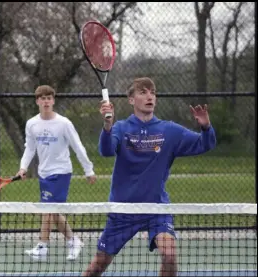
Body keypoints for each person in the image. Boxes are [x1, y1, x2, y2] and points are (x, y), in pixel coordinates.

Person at [82, 77, 217, 276]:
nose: (149, 96)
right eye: (143, 92)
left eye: (152, 92)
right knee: (98, 265)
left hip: (156, 208)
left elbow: (204, 144)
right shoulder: (121, 128)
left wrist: (206, 128)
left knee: (170, 255)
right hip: (123, 209)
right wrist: (107, 125)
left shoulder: (169, 130)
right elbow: (106, 150)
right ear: (131, 99)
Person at [16, 85, 97, 262]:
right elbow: (29, 149)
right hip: (43, 173)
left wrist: (88, 169)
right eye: (42, 98)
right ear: (37, 101)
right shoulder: (31, 124)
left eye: (49, 98)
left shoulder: (64, 123)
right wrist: (23, 168)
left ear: (53, 101)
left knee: (48, 209)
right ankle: (74, 241)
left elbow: (78, 146)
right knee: (53, 211)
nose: (46, 101)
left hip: (61, 172)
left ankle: (42, 246)